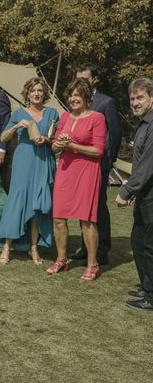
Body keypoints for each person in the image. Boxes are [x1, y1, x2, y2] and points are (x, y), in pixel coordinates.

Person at [0, 78, 59, 265]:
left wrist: (47, 140)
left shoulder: (53, 113)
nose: (36, 94)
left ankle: (34, 247)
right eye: (33, 90)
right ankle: (7, 245)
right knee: (18, 200)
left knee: (38, 203)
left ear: (44, 93)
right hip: (24, 160)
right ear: (27, 93)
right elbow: (3, 137)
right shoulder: (18, 113)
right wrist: (15, 126)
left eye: (39, 90)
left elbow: (58, 141)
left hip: (44, 160)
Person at [48, 78, 106, 280]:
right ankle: (61, 259)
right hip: (65, 171)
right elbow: (54, 147)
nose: (73, 98)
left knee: (87, 220)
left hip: (87, 172)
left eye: (77, 94)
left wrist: (72, 146)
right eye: (71, 94)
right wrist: (60, 144)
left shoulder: (97, 118)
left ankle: (92, 264)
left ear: (87, 97)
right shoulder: (65, 117)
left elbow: (98, 150)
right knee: (58, 217)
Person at [71, 64, 122, 265]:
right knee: (83, 206)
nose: (80, 83)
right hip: (80, 163)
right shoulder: (75, 101)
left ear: (94, 80)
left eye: (84, 79)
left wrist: (109, 159)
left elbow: (115, 132)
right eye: (78, 79)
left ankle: (102, 250)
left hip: (100, 162)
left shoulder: (106, 102)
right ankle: (86, 247)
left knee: (98, 206)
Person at [116, 77, 153, 311]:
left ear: (151, 98)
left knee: (148, 246)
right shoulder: (143, 124)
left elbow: (148, 164)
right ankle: (147, 286)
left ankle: (151, 296)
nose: (135, 102)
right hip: (144, 194)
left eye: (140, 97)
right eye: (132, 98)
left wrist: (127, 190)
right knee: (138, 242)